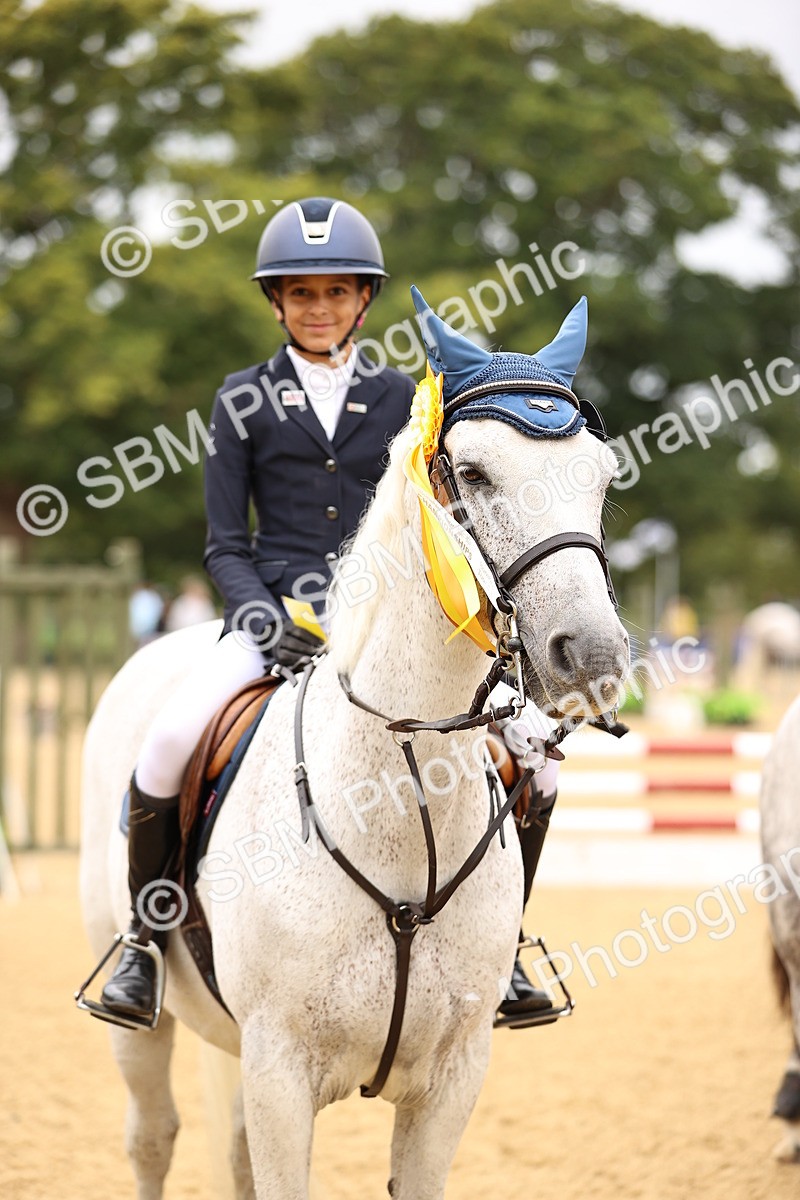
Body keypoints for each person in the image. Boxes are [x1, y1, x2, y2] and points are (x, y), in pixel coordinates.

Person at [100, 197, 415, 1020]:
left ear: (363, 300)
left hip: (377, 625)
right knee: (168, 742)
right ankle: (142, 942)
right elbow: (222, 543)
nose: (321, 309)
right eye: (302, 294)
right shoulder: (241, 397)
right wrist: (259, 618)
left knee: (520, 748)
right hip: (271, 615)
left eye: (337, 293)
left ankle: (508, 943)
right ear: (277, 302)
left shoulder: (403, 400)